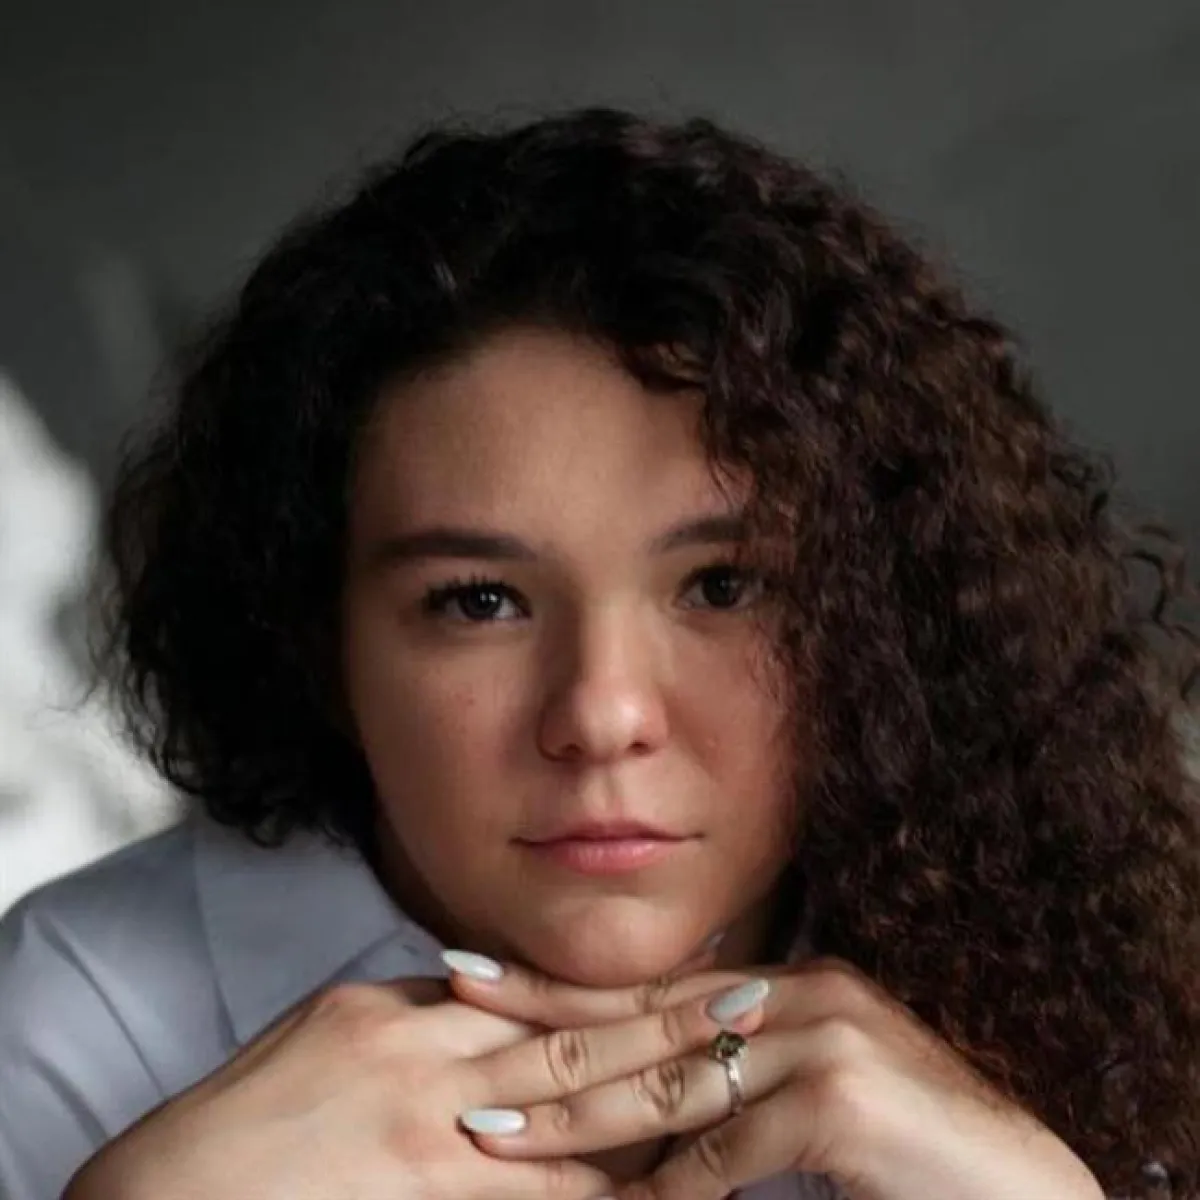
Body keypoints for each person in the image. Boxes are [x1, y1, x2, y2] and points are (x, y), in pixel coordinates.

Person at [0, 106, 1196, 1200]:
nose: (604, 714)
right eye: (478, 601)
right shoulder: (77, 1020)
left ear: (884, 615)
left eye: (723, 586)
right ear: (320, 640)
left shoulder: (1113, 988)